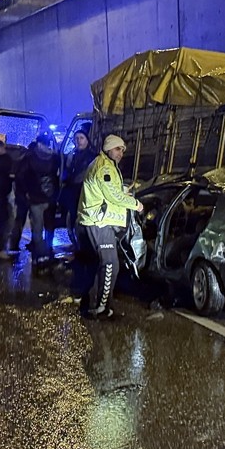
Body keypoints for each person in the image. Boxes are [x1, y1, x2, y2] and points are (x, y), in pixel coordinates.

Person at [76, 134, 143, 318]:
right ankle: (101, 307)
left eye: (122, 149)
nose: (121, 152)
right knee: (110, 264)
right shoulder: (104, 167)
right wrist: (136, 204)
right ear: (108, 149)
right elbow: (113, 196)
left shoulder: (104, 164)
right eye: (117, 149)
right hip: (99, 223)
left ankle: (89, 302)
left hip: (93, 221)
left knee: (98, 264)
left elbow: (109, 191)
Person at [17, 134, 61, 266]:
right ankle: (49, 251)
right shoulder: (55, 157)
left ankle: (40, 255)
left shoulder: (29, 157)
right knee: (49, 226)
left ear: (38, 143)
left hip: (35, 197)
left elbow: (21, 176)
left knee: (37, 228)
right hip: (51, 197)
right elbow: (59, 176)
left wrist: (25, 193)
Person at [59, 129, 98, 242]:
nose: (79, 141)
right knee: (73, 218)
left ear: (87, 140)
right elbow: (67, 172)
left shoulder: (92, 157)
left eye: (81, 138)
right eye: (76, 138)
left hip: (84, 193)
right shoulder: (72, 155)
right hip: (73, 194)